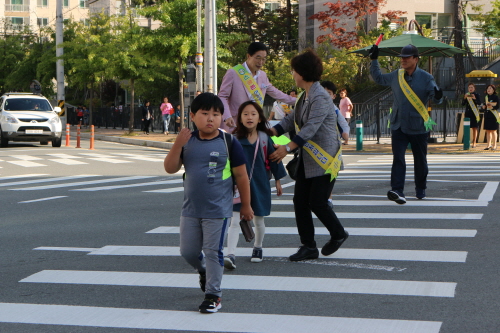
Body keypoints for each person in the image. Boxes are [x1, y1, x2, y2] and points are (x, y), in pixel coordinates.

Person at [163, 93, 253, 313]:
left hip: (218, 209)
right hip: (191, 209)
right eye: (205, 114)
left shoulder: (228, 141)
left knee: (214, 251)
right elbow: (170, 168)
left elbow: (241, 176)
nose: (211, 118)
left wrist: (246, 205)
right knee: (188, 252)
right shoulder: (187, 141)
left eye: (216, 114)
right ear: (193, 116)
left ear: (222, 116)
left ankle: (213, 295)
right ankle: (202, 269)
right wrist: (177, 145)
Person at [269, 49, 348, 262]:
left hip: (325, 159)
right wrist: (271, 132)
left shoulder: (321, 96)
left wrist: (287, 148)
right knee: (300, 201)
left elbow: (311, 128)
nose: (292, 74)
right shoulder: (305, 95)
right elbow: (289, 120)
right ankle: (308, 246)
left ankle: (339, 234)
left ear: (302, 73)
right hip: (308, 158)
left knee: (318, 202)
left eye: (294, 70)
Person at [369, 43, 443, 203]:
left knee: (420, 160)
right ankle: (397, 190)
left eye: (407, 57)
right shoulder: (397, 75)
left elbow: (436, 98)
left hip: (418, 127)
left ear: (415, 59)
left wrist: (438, 95)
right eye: (402, 57)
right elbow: (379, 78)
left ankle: (420, 188)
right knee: (398, 158)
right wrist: (374, 60)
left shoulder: (426, 78)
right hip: (398, 125)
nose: (403, 60)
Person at [224, 101, 287, 269]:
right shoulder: (234, 139)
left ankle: (258, 247)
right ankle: (230, 253)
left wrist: (278, 181)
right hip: (238, 186)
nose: (249, 117)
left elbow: (275, 160)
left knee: (259, 219)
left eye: (253, 114)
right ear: (240, 119)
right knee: (234, 220)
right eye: (245, 114)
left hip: (260, 184)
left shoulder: (265, 139)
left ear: (259, 118)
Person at [218, 41, 296, 131]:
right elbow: (222, 96)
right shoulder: (233, 72)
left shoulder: (262, 75)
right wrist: (227, 116)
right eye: (258, 58)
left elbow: (276, 93)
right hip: (234, 122)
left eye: (264, 59)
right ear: (248, 56)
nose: (261, 62)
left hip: (254, 123)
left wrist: (297, 101)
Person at [462, 83, 481, 148]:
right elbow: (463, 104)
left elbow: (479, 103)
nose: (470, 88)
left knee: (474, 128)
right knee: (467, 128)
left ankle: (474, 142)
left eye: (472, 87)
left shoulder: (476, 95)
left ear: (474, 88)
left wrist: (474, 98)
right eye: (469, 87)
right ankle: (467, 141)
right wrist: (464, 98)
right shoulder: (467, 95)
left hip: (474, 113)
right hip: (468, 113)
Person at [481, 84, 499, 150]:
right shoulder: (486, 97)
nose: (489, 89)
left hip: (493, 115)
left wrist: (493, 107)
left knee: (494, 130)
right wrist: (483, 107)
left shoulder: (496, 97)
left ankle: (494, 145)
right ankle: (488, 145)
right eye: (488, 88)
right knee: (488, 131)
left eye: (490, 88)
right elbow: (483, 105)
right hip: (487, 115)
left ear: (493, 90)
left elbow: (498, 106)